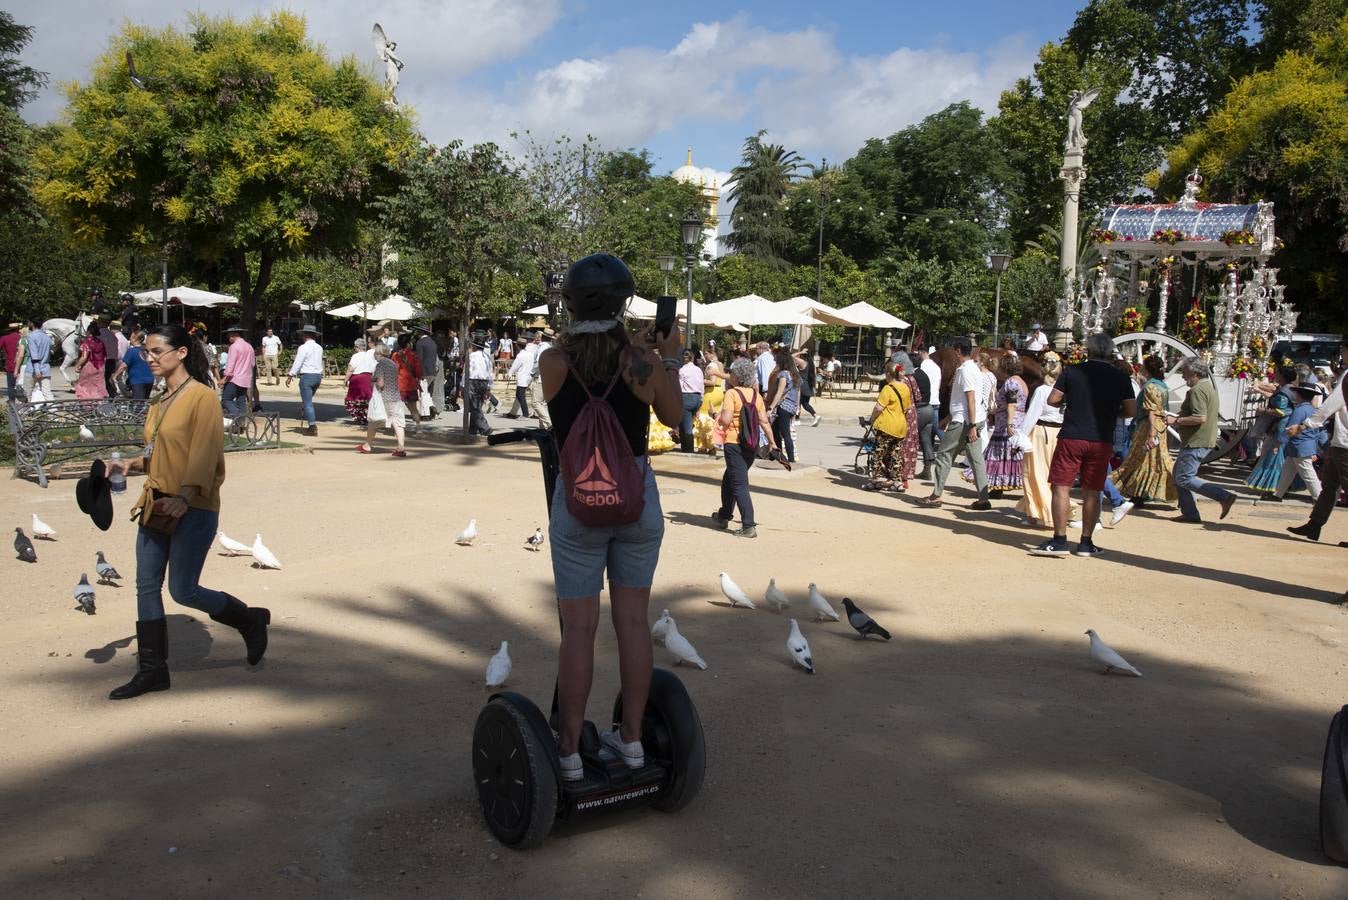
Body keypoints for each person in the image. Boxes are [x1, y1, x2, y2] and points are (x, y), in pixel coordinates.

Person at [536, 253, 682, 782]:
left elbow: (578, 371)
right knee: (633, 624)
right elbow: (672, 417)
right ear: (625, 301)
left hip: (578, 502)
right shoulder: (640, 361)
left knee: (578, 630)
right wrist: (664, 355)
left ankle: (571, 752)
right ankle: (634, 742)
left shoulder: (553, 361)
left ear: (570, 303)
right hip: (635, 501)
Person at [103, 323, 271, 700]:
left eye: (156, 351)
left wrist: (184, 495)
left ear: (180, 353)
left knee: (183, 591)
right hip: (155, 502)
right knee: (146, 586)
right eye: (146, 351)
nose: (149, 358)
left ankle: (249, 619)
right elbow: (159, 455)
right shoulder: (160, 400)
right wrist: (128, 465)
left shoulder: (202, 397)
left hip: (192, 507)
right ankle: (152, 670)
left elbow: (205, 453)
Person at [1030, 332, 1136, 556]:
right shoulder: (1121, 377)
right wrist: (1110, 412)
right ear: (1109, 352)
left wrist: (1073, 401)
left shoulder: (1073, 371)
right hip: (1101, 438)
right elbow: (1130, 411)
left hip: (1072, 435)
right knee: (1092, 490)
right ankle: (1086, 542)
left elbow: (1053, 399)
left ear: (1088, 351)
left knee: (1061, 487)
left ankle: (1060, 540)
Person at [712, 357, 784, 538]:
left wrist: (715, 414)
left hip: (734, 443)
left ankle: (748, 526)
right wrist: (773, 443)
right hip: (751, 445)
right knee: (730, 478)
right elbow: (764, 422)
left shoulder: (731, 394)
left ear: (736, 376)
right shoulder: (756, 396)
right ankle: (724, 515)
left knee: (739, 484)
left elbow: (726, 420)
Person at [921, 338, 991, 510]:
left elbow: (971, 399)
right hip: (972, 419)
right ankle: (983, 498)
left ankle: (936, 495)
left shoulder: (966, 370)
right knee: (976, 460)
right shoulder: (975, 369)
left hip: (964, 421)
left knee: (944, 455)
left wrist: (971, 424)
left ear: (958, 350)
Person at [1165, 357, 1236, 524]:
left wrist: (1176, 421)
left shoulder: (1198, 390)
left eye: (1186, 373)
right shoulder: (1206, 388)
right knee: (1180, 475)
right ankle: (1190, 513)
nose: (1183, 377)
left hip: (1197, 440)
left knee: (1183, 478)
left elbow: (1199, 417)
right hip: (1198, 439)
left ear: (1195, 373)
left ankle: (1223, 496)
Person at [1286, 362, 1347, 542]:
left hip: (1345, 442)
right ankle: (1314, 525)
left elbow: (1330, 406)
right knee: (1329, 487)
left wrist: (1305, 425)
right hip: (1341, 441)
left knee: (1331, 487)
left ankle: (1314, 525)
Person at [1112, 354, 1176, 506]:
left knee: (1142, 458)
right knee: (1157, 459)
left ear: (1146, 370)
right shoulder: (1162, 386)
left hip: (1149, 425)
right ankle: (1141, 494)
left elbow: (1151, 412)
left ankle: (1139, 494)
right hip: (1161, 426)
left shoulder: (1150, 387)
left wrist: (1150, 434)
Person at [1013, 351, 1063, 527]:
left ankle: (1038, 513)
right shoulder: (1064, 391)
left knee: (1034, 473)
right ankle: (1046, 510)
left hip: (1041, 433)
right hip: (1059, 434)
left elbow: (1032, 416)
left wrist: (1020, 438)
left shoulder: (1042, 391)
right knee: (1053, 475)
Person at [1245, 365, 1297, 495]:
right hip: (1284, 425)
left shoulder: (1284, 392)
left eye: (1277, 373)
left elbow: (1280, 411)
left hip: (1279, 426)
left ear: (1283, 376)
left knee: (1273, 454)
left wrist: (1264, 410)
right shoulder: (1289, 389)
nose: (1275, 375)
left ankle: (1274, 485)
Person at [1269, 382, 1326, 502]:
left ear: (1299, 395)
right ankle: (1277, 494)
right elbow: (1319, 432)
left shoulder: (1299, 410)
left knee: (1308, 474)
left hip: (1299, 446)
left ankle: (1320, 499)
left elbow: (1290, 429)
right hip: (1305, 446)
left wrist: (1278, 443)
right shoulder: (1312, 410)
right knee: (1287, 471)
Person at [983, 353, 1028, 493]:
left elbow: (1012, 404)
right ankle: (1002, 485)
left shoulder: (1011, 382)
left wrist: (1009, 424)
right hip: (1017, 420)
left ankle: (998, 486)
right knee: (1009, 454)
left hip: (1007, 423)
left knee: (1001, 454)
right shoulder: (1022, 382)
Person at [867, 364, 913, 492]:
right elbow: (908, 408)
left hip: (886, 426)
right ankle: (897, 481)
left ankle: (874, 480)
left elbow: (879, 408)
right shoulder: (905, 387)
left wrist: (872, 419)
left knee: (878, 453)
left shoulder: (887, 389)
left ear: (888, 374)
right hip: (900, 426)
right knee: (895, 454)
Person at [358, 343, 408, 457]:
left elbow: (380, 383)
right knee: (398, 422)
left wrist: (373, 382)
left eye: (376, 352)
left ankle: (367, 445)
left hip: (384, 397)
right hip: (395, 396)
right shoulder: (393, 364)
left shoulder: (380, 364)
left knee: (374, 421)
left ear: (380, 353)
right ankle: (401, 447)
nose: (374, 355)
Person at [285, 324, 324, 435]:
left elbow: (298, 362)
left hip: (307, 376)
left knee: (307, 403)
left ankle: (312, 426)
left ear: (305, 335)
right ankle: (310, 422)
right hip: (317, 376)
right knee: (308, 401)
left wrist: (290, 375)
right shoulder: (319, 347)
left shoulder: (303, 347)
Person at [765, 347, 801, 464]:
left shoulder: (784, 374)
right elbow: (798, 393)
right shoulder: (795, 374)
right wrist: (797, 407)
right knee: (776, 431)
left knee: (785, 434)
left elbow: (779, 393)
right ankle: (778, 456)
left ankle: (790, 459)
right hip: (792, 407)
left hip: (784, 407)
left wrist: (770, 408)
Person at [915, 346, 942, 477]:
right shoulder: (936, 367)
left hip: (925, 402)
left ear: (921, 352)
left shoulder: (922, 367)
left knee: (934, 432)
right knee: (929, 435)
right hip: (935, 402)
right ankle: (927, 468)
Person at [220, 325, 255, 420]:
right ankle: (241, 423)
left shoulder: (234, 347)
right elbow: (252, 363)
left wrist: (225, 377)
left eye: (229, 335)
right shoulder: (249, 346)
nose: (228, 337)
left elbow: (230, 365)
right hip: (245, 379)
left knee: (226, 399)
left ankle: (237, 416)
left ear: (235, 335)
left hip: (234, 379)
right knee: (241, 401)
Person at [392, 333, 423, 431]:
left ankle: (397, 430)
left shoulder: (395, 355)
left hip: (398, 385)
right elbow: (418, 371)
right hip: (411, 385)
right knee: (414, 408)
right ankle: (418, 429)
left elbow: (393, 370)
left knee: (396, 409)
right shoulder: (413, 355)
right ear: (408, 343)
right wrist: (419, 377)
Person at [114, 328, 156, 399]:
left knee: (138, 404)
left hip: (138, 381)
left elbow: (123, 366)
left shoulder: (132, 351)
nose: (129, 338)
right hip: (149, 379)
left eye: (130, 336)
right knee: (144, 402)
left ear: (134, 339)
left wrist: (115, 375)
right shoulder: (147, 351)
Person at [465, 335, 494, 436]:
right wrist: (490, 386)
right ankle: (473, 429)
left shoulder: (471, 356)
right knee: (477, 405)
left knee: (475, 406)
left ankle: (484, 427)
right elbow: (490, 373)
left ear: (474, 346)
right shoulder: (487, 357)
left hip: (473, 381)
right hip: (484, 382)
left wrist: (462, 385)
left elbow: (467, 371)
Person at [677, 349, 704, 452]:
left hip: (687, 397)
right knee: (688, 424)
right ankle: (686, 447)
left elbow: (679, 387)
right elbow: (701, 386)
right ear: (692, 358)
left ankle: (688, 449)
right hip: (697, 397)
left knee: (686, 427)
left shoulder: (682, 370)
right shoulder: (699, 370)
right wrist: (701, 401)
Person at [344, 338, 376, 425]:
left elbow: (350, 369)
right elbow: (374, 369)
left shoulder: (355, 356)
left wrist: (346, 380)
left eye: (355, 347)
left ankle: (359, 417)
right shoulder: (370, 356)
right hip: (368, 378)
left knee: (352, 399)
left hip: (357, 379)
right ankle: (365, 417)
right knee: (366, 399)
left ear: (357, 347)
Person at [20, 318, 53, 402]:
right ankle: (53, 413)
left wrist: (37, 370)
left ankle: (25, 413)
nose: (28, 324)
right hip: (45, 367)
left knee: (27, 394)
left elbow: (34, 356)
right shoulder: (47, 337)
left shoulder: (31, 336)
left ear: (32, 323)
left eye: (29, 322)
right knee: (47, 393)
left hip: (32, 369)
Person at [75, 321, 109, 400]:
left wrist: (77, 365)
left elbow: (84, 356)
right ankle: (98, 404)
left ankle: (87, 405)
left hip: (89, 366)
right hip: (101, 367)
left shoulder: (86, 342)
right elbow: (104, 355)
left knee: (86, 387)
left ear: (88, 332)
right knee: (98, 387)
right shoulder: (101, 342)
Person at [505, 336, 536, 420]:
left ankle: (525, 414)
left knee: (520, 395)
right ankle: (514, 412)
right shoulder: (530, 354)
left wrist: (509, 373)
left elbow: (515, 366)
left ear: (517, 345)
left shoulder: (520, 355)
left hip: (522, 377)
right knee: (520, 395)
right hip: (529, 377)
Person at [414, 324, 441, 419]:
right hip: (432, 371)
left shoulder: (420, 343)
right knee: (426, 391)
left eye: (418, 331)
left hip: (423, 371)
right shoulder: (432, 342)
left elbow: (419, 359)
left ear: (421, 332)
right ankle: (433, 410)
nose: (417, 332)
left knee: (423, 392)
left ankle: (426, 413)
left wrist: (417, 372)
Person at [525, 330, 550, 427]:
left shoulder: (543, 346)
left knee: (536, 403)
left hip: (540, 377)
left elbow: (539, 361)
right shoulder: (552, 346)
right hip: (548, 378)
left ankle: (549, 423)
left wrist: (532, 373)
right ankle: (543, 427)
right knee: (543, 403)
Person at [2, 321, 23, 401]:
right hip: (23, 365)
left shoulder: (4, 338)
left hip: (10, 364)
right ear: (18, 329)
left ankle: (12, 404)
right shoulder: (23, 338)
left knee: (11, 386)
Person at [109, 321, 130, 396]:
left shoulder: (115, 338)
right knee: (118, 380)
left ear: (112, 328)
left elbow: (116, 353)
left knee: (113, 380)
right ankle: (124, 394)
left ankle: (117, 394)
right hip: (123, 362)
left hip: (116, 362)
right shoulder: (124, 339)